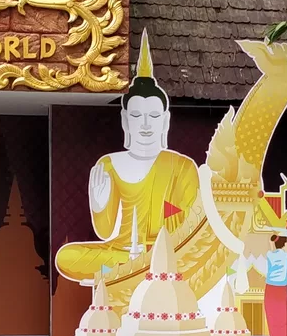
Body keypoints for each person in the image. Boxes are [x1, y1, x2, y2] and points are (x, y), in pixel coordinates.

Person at [54, 35, 202, 283]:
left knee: (180, 256)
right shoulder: (108, 165)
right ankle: (134, 268)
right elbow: (105, 233)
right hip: (121, 252)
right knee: (67, 257)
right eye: (136, 115)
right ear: (125, 120)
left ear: (165, 121)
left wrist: (159, 247)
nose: (145, 124)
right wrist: (100, 205)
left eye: (153, 116)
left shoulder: (181, 166)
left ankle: (137, 267)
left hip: (165, 252)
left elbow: (191, 226)